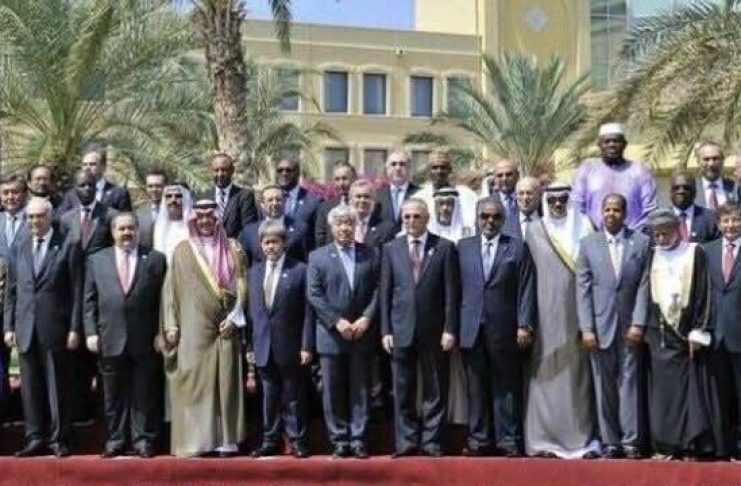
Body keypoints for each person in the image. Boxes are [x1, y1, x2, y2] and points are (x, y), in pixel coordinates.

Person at [161, 200, 248, 457]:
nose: (205, 221)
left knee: (225, 380)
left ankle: (226, 440)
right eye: (200, 217)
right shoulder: (182, 250)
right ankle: (196, 441)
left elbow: (242, 284)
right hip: (192, 326)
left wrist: (235, 317)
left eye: (210, 216)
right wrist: (171, 323)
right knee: (194, 380)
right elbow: (170, 290)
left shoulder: (233, 247)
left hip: (225, 325)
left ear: (217, 219)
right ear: (193, 220)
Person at [524, 182, 600, 459]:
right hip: (544, 315)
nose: (557, 204)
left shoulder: (586, 227)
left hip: (578, 314)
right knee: (545, 372)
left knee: (578, 376)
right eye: (552, 200)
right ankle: (543, 438)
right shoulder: (535, 231)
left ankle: (582, 439)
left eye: (562, 199)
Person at [380, 198, 460, 457]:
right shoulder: (391, 249)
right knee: (402, 389)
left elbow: (451, 293)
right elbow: (385, 292)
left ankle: (432, 442)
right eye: (407, 217)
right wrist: (385, 330)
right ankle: (406, 442)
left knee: (435, 388)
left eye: (416, 216)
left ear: (427, 219)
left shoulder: (444, 248)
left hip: (434, 331)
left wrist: (450, 328)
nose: (411, 221)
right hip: (400, 329)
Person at [3, 197, 83, 457]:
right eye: (30, 217)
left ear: (50, 217)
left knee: (57, 386)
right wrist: (9, 326)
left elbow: (77, 290)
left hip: (56, 328)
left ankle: (59, 438)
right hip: (25, 327)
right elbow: (12, 290)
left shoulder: (68, 245)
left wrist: (75, 328)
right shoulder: (20, 247)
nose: (34, 221)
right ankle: (34, 437)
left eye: (39, 216)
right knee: (30, 388)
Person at [83, 213, 166, 458]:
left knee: (144, 392)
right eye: (122, 229)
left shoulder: (155, 259)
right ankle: (116, 439)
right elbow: (89, 301)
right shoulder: (97, 260)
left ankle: (143, 440)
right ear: (112, 232)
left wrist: (161, 331)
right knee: (113, 394)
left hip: (145, 338)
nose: (127, 233)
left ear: (138, 230)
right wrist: (90, 332)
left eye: (131, 228)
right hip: (109, 336)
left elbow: (164, 301)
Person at [458, 198, 536, 457]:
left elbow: (526, 289)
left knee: (506, 386)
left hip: (505, 328)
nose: (490, 221)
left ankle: (508, 440)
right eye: (485, 216)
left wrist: (524, 324)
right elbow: (454, 289)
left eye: (496, 217)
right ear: (477, 218)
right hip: (471, 328)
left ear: (503, 220)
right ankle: (478, 439)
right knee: (476, 387)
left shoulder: (517, 247)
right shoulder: (463, 247)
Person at [576, 193, 651, 459]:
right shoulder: (588, 245)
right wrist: (587, 328)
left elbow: (644, 285)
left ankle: (631, 441)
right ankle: (610, 441)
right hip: (599, 326)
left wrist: (639, 322)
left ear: (625, 213)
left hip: (630, 327)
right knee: (603, 385)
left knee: (630, 384)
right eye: (607, 209)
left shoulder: (641, 242)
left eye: (616, 210)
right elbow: (583, 289)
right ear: (601, 212)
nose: (611, 214)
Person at [644, 209, 723, 459]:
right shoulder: (652, 254)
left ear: (677, 230)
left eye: (665, 233)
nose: (660, 238)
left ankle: (691, 445)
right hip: (660, 335)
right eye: (656, 234)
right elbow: (645, 292)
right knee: (663, 394)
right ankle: (666, 445)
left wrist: (698, 330)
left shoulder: (694, 252)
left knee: (690, 393)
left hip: (687, 335)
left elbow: (704, 292)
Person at [307, 205, 379, 459]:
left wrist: (366, 318)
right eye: (339, 224)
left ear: (355, 225)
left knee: (360, 389)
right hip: (331, 335)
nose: (344, 228)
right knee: (332, 390)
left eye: (349, 223)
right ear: (332, 227)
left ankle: (358, 439)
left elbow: (379, 288)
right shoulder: (317, 257)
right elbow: (314, 294)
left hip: (362, 333)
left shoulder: (371, 254)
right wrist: (337, 321)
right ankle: (339, 440)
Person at [247, 220, 314, 458]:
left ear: (284, 243)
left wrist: (306, 345)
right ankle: (270, 440)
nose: (270, 247)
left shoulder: (300, 270)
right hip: (263, 345)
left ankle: (298, 441)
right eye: (266, 242)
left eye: (275, 242)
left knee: (293, 396)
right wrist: (250, 346)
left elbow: (308, 312)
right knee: (269, 397)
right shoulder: (254, 273)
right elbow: (251, 313)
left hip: (291, 345)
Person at [703, 203, 741, 460]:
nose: (731, 225)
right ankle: (722, 447)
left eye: (736, 220)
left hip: (739, 335)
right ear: (718, 224)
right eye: (726, 221)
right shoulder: (707, 251)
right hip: (715, 336)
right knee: (720, 396)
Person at [572, 123, 658, 231]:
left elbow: (650, 209)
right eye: (607, 141)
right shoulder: (587, 169)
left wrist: (635, 235)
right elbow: (577, 206)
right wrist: (591, 233)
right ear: (599, 145)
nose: (611, 145)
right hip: (594, 236)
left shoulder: (640, 170)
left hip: (633, 236)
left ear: (624, 144)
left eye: (616, 141)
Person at [239, 185, 310, 263]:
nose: (275, 203)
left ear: (285, 201)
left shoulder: (300, 229)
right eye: (270, 200)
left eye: (278, 199)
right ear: (262, 204)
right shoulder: (249, 232)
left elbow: (306, 260)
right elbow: (244, 262)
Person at [416, 149, 477, 231]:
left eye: (443, 167)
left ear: (450, 169)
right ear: (428, 171)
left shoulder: (467, 196)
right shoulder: (419, 198)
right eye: (434, 168)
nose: (439, 171)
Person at [60, 170, 118, 256]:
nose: (87, 188)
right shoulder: (66, 219)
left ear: (96, 187)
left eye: (90, 185)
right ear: (75, 189)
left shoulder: (111, 215)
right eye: (82, 185)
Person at [200, 153, 258, 238]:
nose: (220, 174)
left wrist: (232, 244)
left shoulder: (244, 196)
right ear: (211, 172)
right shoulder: (202, 196)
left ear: (232, 171)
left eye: (224, 170)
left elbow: (249, 229)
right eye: (216, 170)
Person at [59, 145, 132, 212]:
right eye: (84, 164)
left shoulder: (119, 194)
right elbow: (61, 217)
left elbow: (126, 218)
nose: (87, 168)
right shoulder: (71, 195)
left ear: (103, 167)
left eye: (92, 164)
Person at [275, 156, 323, 247]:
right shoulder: (268, 201)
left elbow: (319, 236)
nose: (284, 173)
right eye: (280, 170)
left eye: (289, 170)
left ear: (297, 173)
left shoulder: (314, 202)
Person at [670, 170, 720, 244]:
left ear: (695, 192)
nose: (681, 191)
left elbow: (718, 247)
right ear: (670, 192)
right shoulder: (659, 219)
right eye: (676, 188)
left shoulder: (711, 218)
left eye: (686, 188)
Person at [314, 162, 357, 248]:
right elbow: (320, 238)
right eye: (337, 179)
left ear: (354, 179)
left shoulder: (364, 204)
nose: (341, 183)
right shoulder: (326, 207)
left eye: (345, 178)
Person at [375, 151, 420, 231]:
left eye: (402, 164)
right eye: (393, 164)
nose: (398, 168)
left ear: (409, 168)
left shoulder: (420, 193)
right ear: (387, 169)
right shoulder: (377, 195)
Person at [153, 184, 193, 262]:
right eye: (169, 196)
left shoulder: (193, 226)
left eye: (178, 196)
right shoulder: (159, 227)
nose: (173, 200)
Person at [350, 180, 396, 248]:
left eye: (366, 197)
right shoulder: (343, 225)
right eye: (358, 196)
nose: (362, 200)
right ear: (351, 200)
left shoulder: (386, 228)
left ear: (373, 200)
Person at [694, 141, 736, 209]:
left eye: (715, 159)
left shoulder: (735, 187)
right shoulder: (691, 189)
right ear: (698, 162)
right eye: (706, 159)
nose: (711, 164)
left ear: (723, 161)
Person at [135, 169, 167, 249]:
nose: (154, 190)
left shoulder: (177, 212)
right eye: (150, 186)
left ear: (166, 187)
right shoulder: (138, 213)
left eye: (158, 186)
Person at [489, 160, 521, 237]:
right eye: (500, 175)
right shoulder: (484, 204)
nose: (504, 179)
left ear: (517, 176)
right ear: (494, 179)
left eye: (509, 174)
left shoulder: (530, 201)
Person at [0, 174, 28, 257]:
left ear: (25, 194)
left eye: (15, 192)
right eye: (5, 193)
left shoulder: (36, 218)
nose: (10, 197)